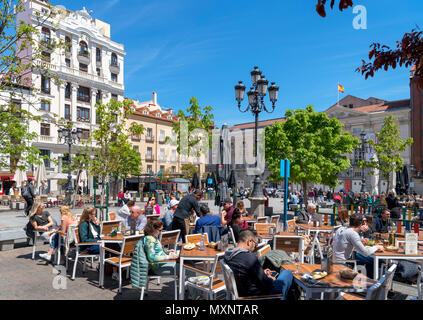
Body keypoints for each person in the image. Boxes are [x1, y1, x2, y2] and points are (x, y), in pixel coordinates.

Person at [224, 229, 294, 299]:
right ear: (249, 242)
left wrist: (262, 273)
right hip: (260, 296)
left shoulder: (229, 255)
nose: (255, 247)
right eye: (255, 244)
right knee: (287, 273)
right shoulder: (249, 257)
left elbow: (243, 271)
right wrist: (271, 278)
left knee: (289, 289)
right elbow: (267, 283)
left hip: (242, 292)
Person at [333, 214, 384, 278]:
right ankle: (375, 282)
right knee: (376, 262)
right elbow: (365, 253)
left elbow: (347, 241)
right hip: (344, 262)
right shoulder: (352, 233)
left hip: (335, 259)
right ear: (361, 224)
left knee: (369, 260)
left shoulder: (341, 229)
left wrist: (361, 240)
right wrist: (377, 247)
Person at [78, 207, 121, 280]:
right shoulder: (83, 224)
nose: (95, 216)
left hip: (96, 242)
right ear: (89, 215)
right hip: (89, 246)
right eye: (94, 214)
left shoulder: (90, 222)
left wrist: (96, 224)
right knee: (114, 246)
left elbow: (97, 233)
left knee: (115, 245)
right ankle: (114, 270)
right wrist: (96, 241)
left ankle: (114, 269)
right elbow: (84, 239)